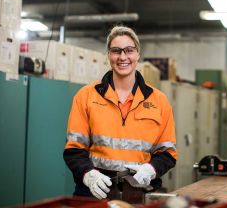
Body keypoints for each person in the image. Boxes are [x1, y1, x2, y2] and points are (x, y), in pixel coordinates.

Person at [63, 25, 177, 199]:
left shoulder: (159, 101)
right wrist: (88, 175)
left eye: (129, 50)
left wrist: (151, 169)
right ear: (108, 55)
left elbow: (168, 153)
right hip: (95, 193)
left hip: (140, 193)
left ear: (138, 54)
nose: (123, 57)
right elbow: (74, 150)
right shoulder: (86, 96)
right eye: (116, 51)